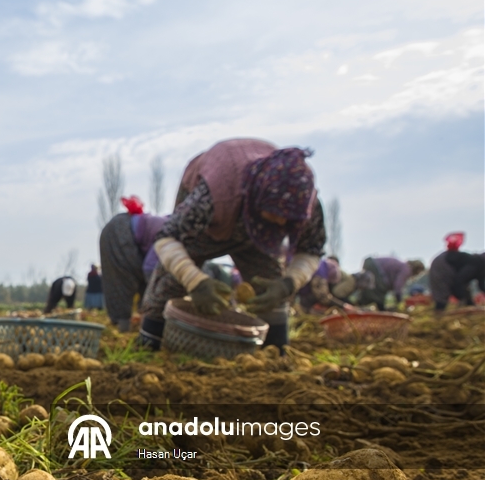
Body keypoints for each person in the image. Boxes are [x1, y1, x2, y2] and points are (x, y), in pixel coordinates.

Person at [138, 139, 326, 351]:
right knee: (171, 280)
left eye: (288, 219)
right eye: (275, 214)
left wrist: (288, 284)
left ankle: (276, 354)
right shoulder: (214, 193)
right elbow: (167, 237)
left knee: (269, 286)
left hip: (253, 233)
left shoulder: (304, 202)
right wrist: (195, 282)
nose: (282, 223)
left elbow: (311, 249)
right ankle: (149, 346)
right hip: (212, 219)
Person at [99, 195, 168, 331]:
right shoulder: (170, 236)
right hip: (119, 233)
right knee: (123, 283)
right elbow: (149, 268)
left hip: (122, 230)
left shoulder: (175, 226)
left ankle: (140, 324)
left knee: (142, 284)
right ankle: (123, 330)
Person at [353, 257, 425, 311]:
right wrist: (399, 301)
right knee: (378, 292)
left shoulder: (403, 267)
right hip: (376, 268)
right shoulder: (406, 269)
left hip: (372, 265)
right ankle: (380, 312)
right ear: (417, 269)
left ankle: (355, 307)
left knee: (369, 292)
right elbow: (398, 286)